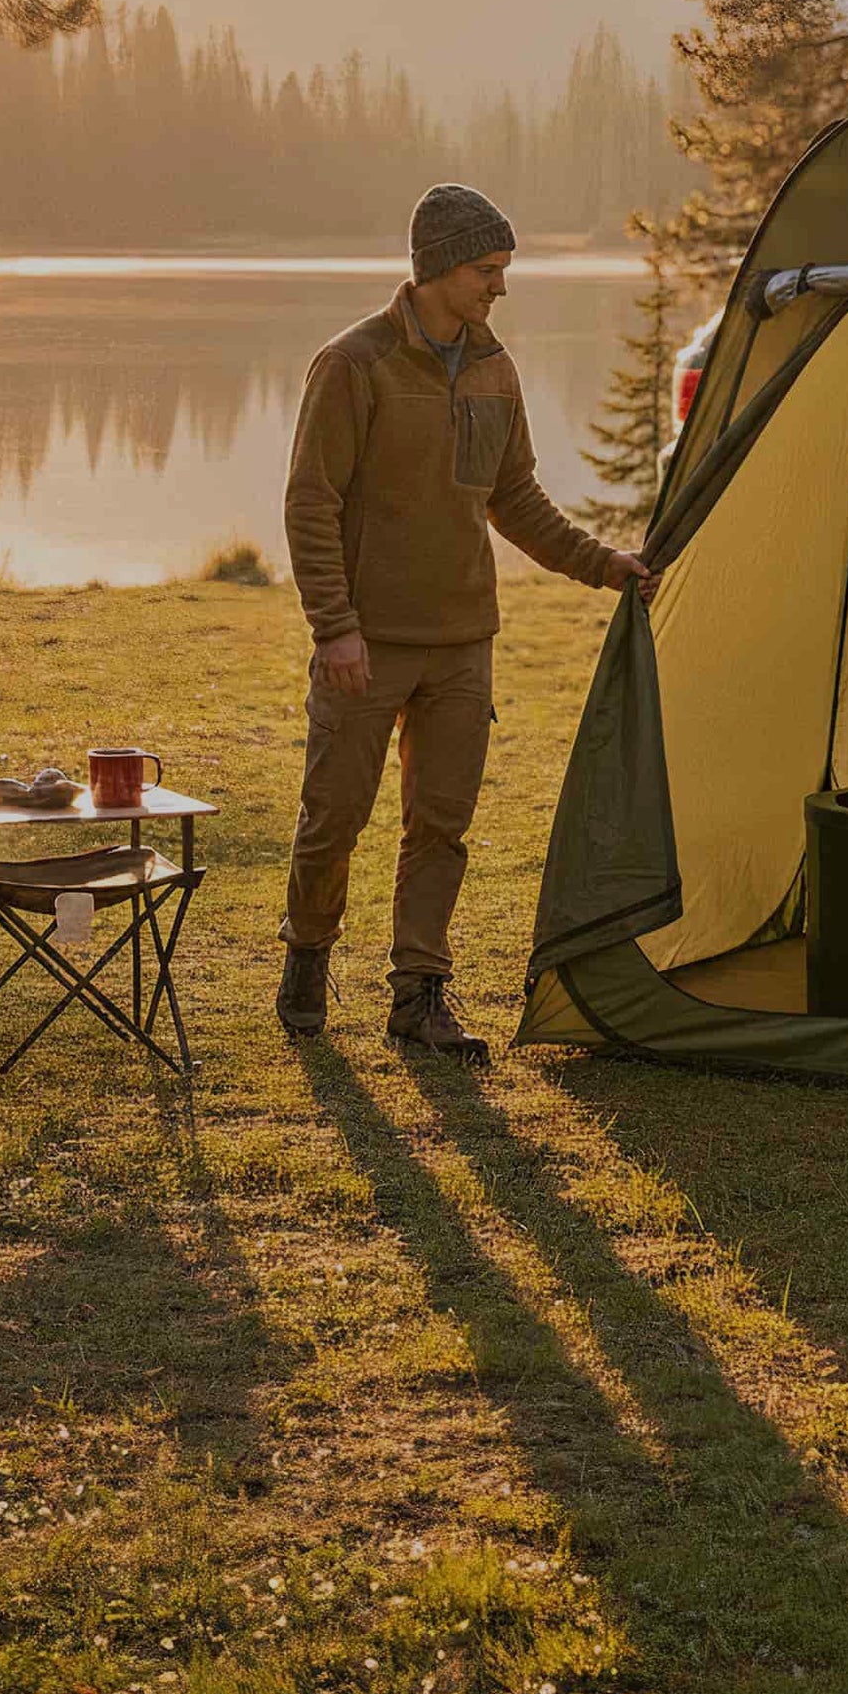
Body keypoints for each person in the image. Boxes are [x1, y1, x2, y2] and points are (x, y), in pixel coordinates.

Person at [278, 183, 655, 1062]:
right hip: (366, 645)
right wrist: (335, 627)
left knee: (441, 826)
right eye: (488, 270)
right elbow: (310, 502)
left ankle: (419, 996)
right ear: (440, 267)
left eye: (503, 270)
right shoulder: (353, 364)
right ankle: (306, 958)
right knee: (334, 818)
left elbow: (514, 498)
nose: (499, 288)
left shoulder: (495, 368)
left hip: (462, 644)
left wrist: (606, 567)